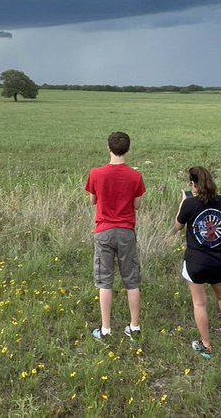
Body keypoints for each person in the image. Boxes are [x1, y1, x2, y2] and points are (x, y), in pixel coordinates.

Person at [174, 166, 221, 359]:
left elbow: (177, 227)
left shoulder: (189, 204)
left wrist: (183, 204)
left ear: (194, 184)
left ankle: (206, 345)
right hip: (217, 259)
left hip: (195, 261)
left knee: (200, 303)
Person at [85, 131, 146, 342]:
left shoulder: (96, 174)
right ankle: (134, 327)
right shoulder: (135, 176)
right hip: (126, 232)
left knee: (105, 281)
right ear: (127, 149)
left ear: (108, 148)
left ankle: (106, 329)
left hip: (103, 231)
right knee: (131, 280)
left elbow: (93, 200)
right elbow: (137, 204)